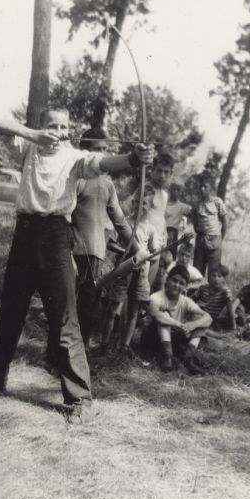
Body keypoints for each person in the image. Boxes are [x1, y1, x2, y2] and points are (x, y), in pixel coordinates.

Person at [0, 108, 154, 419]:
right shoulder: (28, 146)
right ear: (42, 127)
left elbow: (103, 163)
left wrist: (132, 158)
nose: (58, 131)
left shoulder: (74, 157)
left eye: (63, 126)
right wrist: (32, 134)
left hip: (56, 235)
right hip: (25, 233)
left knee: (65, 316)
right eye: (52, 125)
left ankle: (79, 400)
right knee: (11, 309)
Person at [71, 128, 139, 350]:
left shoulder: (108, 184)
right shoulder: (78, 178)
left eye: (104, 150)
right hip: (76, 253)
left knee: (88, 309)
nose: (102, 155)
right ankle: (58, 356)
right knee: (71, 308)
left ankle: (78, 357)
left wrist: (137, 249)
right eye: (97, 150)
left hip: (96, 255)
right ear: (86, 151)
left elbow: (119, 220)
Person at [101, 195, 160, 357]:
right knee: (113, 308)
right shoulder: (123, 222)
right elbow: (111, 243)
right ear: (134, 203)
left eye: (145, 203)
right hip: (122, 269)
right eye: (138, 202)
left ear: (150, 206)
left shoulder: (151, 228)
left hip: (141, 272)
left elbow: (154, 252)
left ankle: (125, 346)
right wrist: (129, 253)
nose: (141, 205)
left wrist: (144, 257)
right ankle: (104, 344)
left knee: (134, 311)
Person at [140, 265, 212, 372]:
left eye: (181, 283)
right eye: (174, 280)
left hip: (173, 339)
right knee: (164, 314)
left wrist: (193, 325)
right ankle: (167, 357)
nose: (176, 285)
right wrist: (181, 325)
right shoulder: (156, 297)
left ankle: (189, 357)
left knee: (200, 320)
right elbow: (156, 315)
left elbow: (208, 318)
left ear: (185, 287)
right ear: (167, 280)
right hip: (153, 338)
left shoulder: (185, 300)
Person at [192, 174, 227, 276]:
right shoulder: (197, 204)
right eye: (201, 186)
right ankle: (195, 291)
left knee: (214, 272)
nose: (202, 189)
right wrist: (197, 229)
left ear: (211, 189)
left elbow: (225, 222)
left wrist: (220, 238)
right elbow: (194, 217)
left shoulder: (217, 202)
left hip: (215, 239)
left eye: (205, 187)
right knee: (197, 271)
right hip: (201, 239)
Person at [194, 264, 236, 331]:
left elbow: (230, 309)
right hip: (199, 313)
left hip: (212, 318)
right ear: (209, 277)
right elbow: (193, 300)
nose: (216, 279)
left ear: (224, 279)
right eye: (213, 276)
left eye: (219, 276)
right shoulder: (203, 288)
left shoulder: (225, 291)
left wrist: (234, 326)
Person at [165, 181, 192, 259]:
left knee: (170, 256)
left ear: (181, 192)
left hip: (173, 235)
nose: (176, 192)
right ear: (170, 190)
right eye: (174, 189)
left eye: (178, 190)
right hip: (161, 231)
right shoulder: (164, 203)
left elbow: (195, 214)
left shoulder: (182, 206)